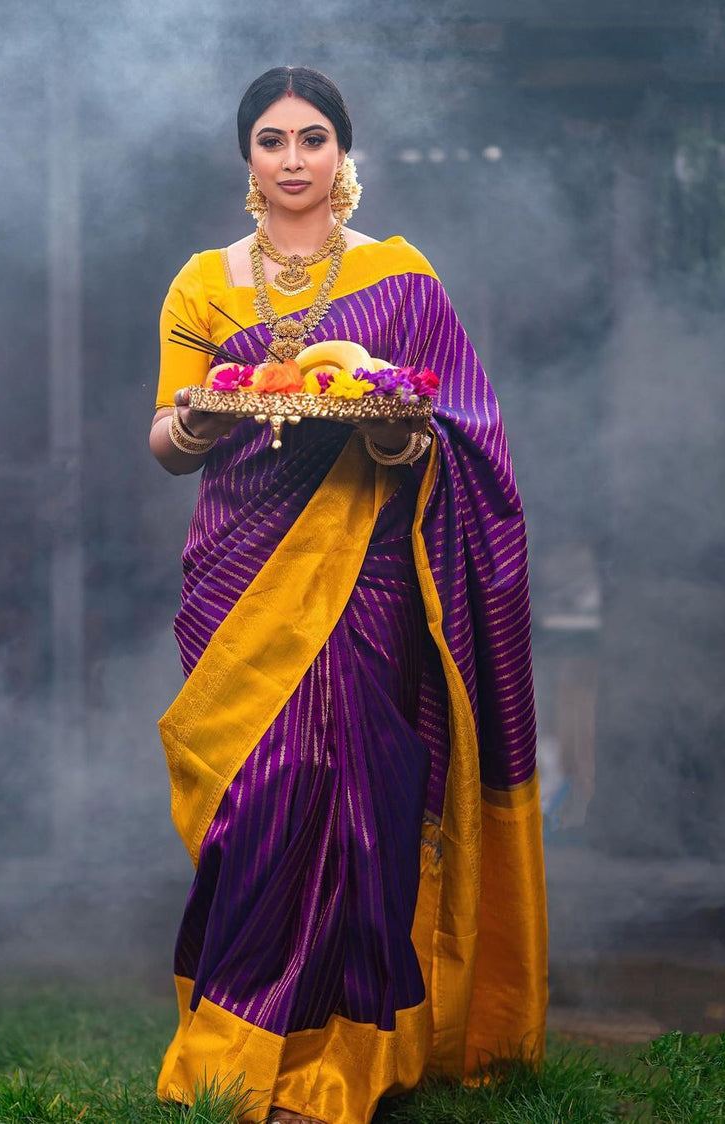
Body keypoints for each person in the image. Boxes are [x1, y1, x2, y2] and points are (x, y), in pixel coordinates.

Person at [148, 66, 548, 1124]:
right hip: (239, 570)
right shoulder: (203, 283)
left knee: (359, 799)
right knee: (259, 798)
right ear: (248, 156)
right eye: (272, 140)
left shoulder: (401, 277)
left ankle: (341, 1068)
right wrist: (196, 421)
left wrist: (394, 433)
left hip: (366, 566)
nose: (294, 160)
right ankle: (236, 1055)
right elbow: (168, 437)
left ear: (342, 150)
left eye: (313, 138)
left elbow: (454, 429)